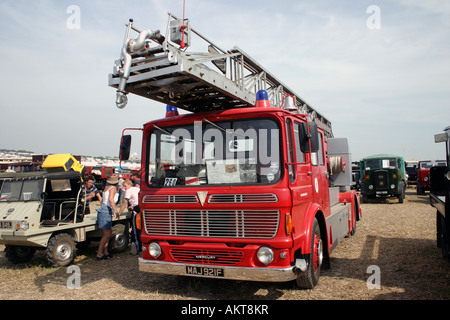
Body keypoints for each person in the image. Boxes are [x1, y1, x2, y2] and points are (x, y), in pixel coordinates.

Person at [96, 176, 120, 260]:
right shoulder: (113, 188)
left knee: (108, 233)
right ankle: (99, 253)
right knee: (106, 234)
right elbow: (111, 200)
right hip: (106, 210)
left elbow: (104, 200)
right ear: (116, 183)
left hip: (104, 209)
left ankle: (105, 252)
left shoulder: (106, 188)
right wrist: (116, 211)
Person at [118, 179, 141, 254]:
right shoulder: (137, 188)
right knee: (140, 229)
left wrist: (119, 212)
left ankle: (136, 247)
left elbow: (124, 202)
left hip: (135, 211)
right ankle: (140, 246)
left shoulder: (129, 191)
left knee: (135, 230)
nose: (124, 188)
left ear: (129, 184)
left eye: (125, 186)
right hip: (141, 210)